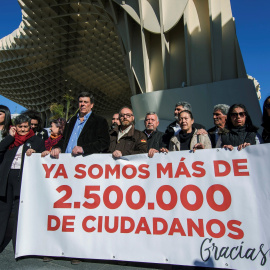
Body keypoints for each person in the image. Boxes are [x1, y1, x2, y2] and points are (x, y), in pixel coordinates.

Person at [0, 114, 45, 253]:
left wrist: (36, 152)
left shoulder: (36, 140)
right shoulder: (10, 139)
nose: (24, 129)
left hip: (23, 179)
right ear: (15, 127)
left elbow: (42, 155)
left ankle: (19, 246)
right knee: (2, 213)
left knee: (20, 214)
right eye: (20, 126)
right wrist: (10, 137)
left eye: (26, 126)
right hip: (7, 178)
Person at [50, 92, 110, 158]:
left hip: (84, 162)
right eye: (80, 101)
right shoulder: (71, 120)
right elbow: (64, 139)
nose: (82, 104)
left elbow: (104, 142)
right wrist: (58, 148)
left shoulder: (99, 121)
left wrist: (83, 149)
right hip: (66, 161)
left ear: (91, 105)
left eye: (86, 102)